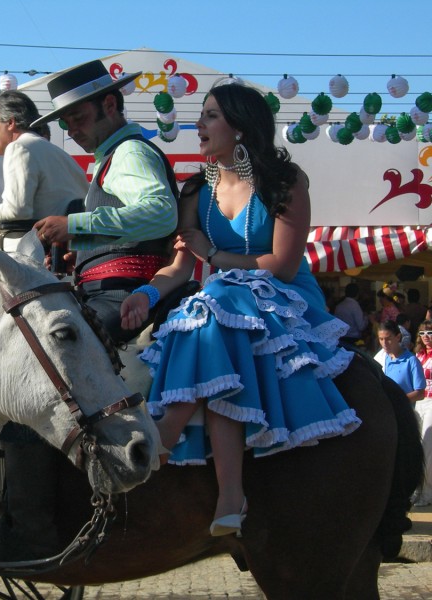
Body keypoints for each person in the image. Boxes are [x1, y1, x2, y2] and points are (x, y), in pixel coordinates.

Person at [119, 82, 360, 537]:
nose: (199, 125)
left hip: (282, 298)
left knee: (217, 298)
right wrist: (146, 295)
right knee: (210, 307)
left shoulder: (285, 183)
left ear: (241, 126)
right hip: (224, 305)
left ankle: (167, 431)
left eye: (210, 116)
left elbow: (283, 266)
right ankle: (231, 494)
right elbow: (178, 266)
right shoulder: (195, 190)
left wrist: (213, 257)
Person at [32, 60, 179, 343]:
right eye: (66, 123)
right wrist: (85, 255)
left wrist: (77, 227)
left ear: (110, 105)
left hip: (124, 298)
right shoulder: (115, 155)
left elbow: (161, 213)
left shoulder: (129, 152)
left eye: (79, 118)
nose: (72, 130)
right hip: (108, 294)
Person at [0, 90, 88, 245]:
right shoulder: (62, 155)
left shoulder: (19, 147)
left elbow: (17, 210)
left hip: (33, 262)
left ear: (11, 123)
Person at [378, 320, 424, 402]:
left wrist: (397, 401)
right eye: (381, 339)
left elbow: (420, 393)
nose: (384, 343)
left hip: (405, 412)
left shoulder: (411, 360)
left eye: (388, 339)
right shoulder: (380, 358)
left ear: (398, 337)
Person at [413, 321, 432, 506]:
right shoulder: (418, 355)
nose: (426, 336)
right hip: (419, 403)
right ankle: (418, 488)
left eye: (430, 332)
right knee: (417, 445)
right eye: (423, 332)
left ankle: (428, 491)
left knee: (428, 447)